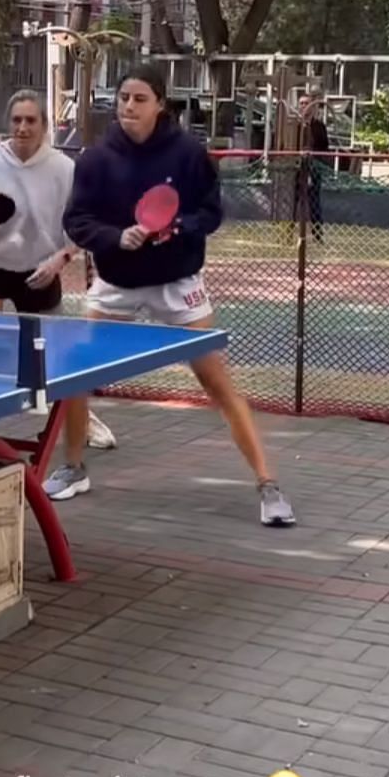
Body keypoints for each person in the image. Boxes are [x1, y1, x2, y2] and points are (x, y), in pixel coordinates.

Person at [63, 63, 295, 528]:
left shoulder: (189, 154)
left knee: (216, 382)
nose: (129, 106)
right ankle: (72, 468)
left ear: (160, 105)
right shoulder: (95, 159)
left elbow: (210, 213)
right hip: (116, 283)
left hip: (177, 283)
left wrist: (178, 228)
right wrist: (114, 237)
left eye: (140, 99)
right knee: (75, 376)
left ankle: (269, 486)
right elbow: (78, 221)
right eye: (124, 97)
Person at [0, 88, 116, 498]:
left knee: (56, 364)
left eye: (31, 120)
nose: (23, 127)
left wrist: (59, 261)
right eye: (17, 120)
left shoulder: (64, 169)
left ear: (44, 125)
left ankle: (80, 421)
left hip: (42, 270)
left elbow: (79, 230)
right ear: (8, 124)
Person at [292, 90, 330, 242]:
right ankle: (287, 234)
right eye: (301, 103)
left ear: (312, 107)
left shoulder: (319, 126)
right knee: (291, 202)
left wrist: (315, 161)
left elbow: (324, 148)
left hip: (313, 169)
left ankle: (317, 234)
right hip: (295, 169)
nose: (303, 106)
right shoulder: (294, 126)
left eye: (306, 103)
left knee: (314, 202)